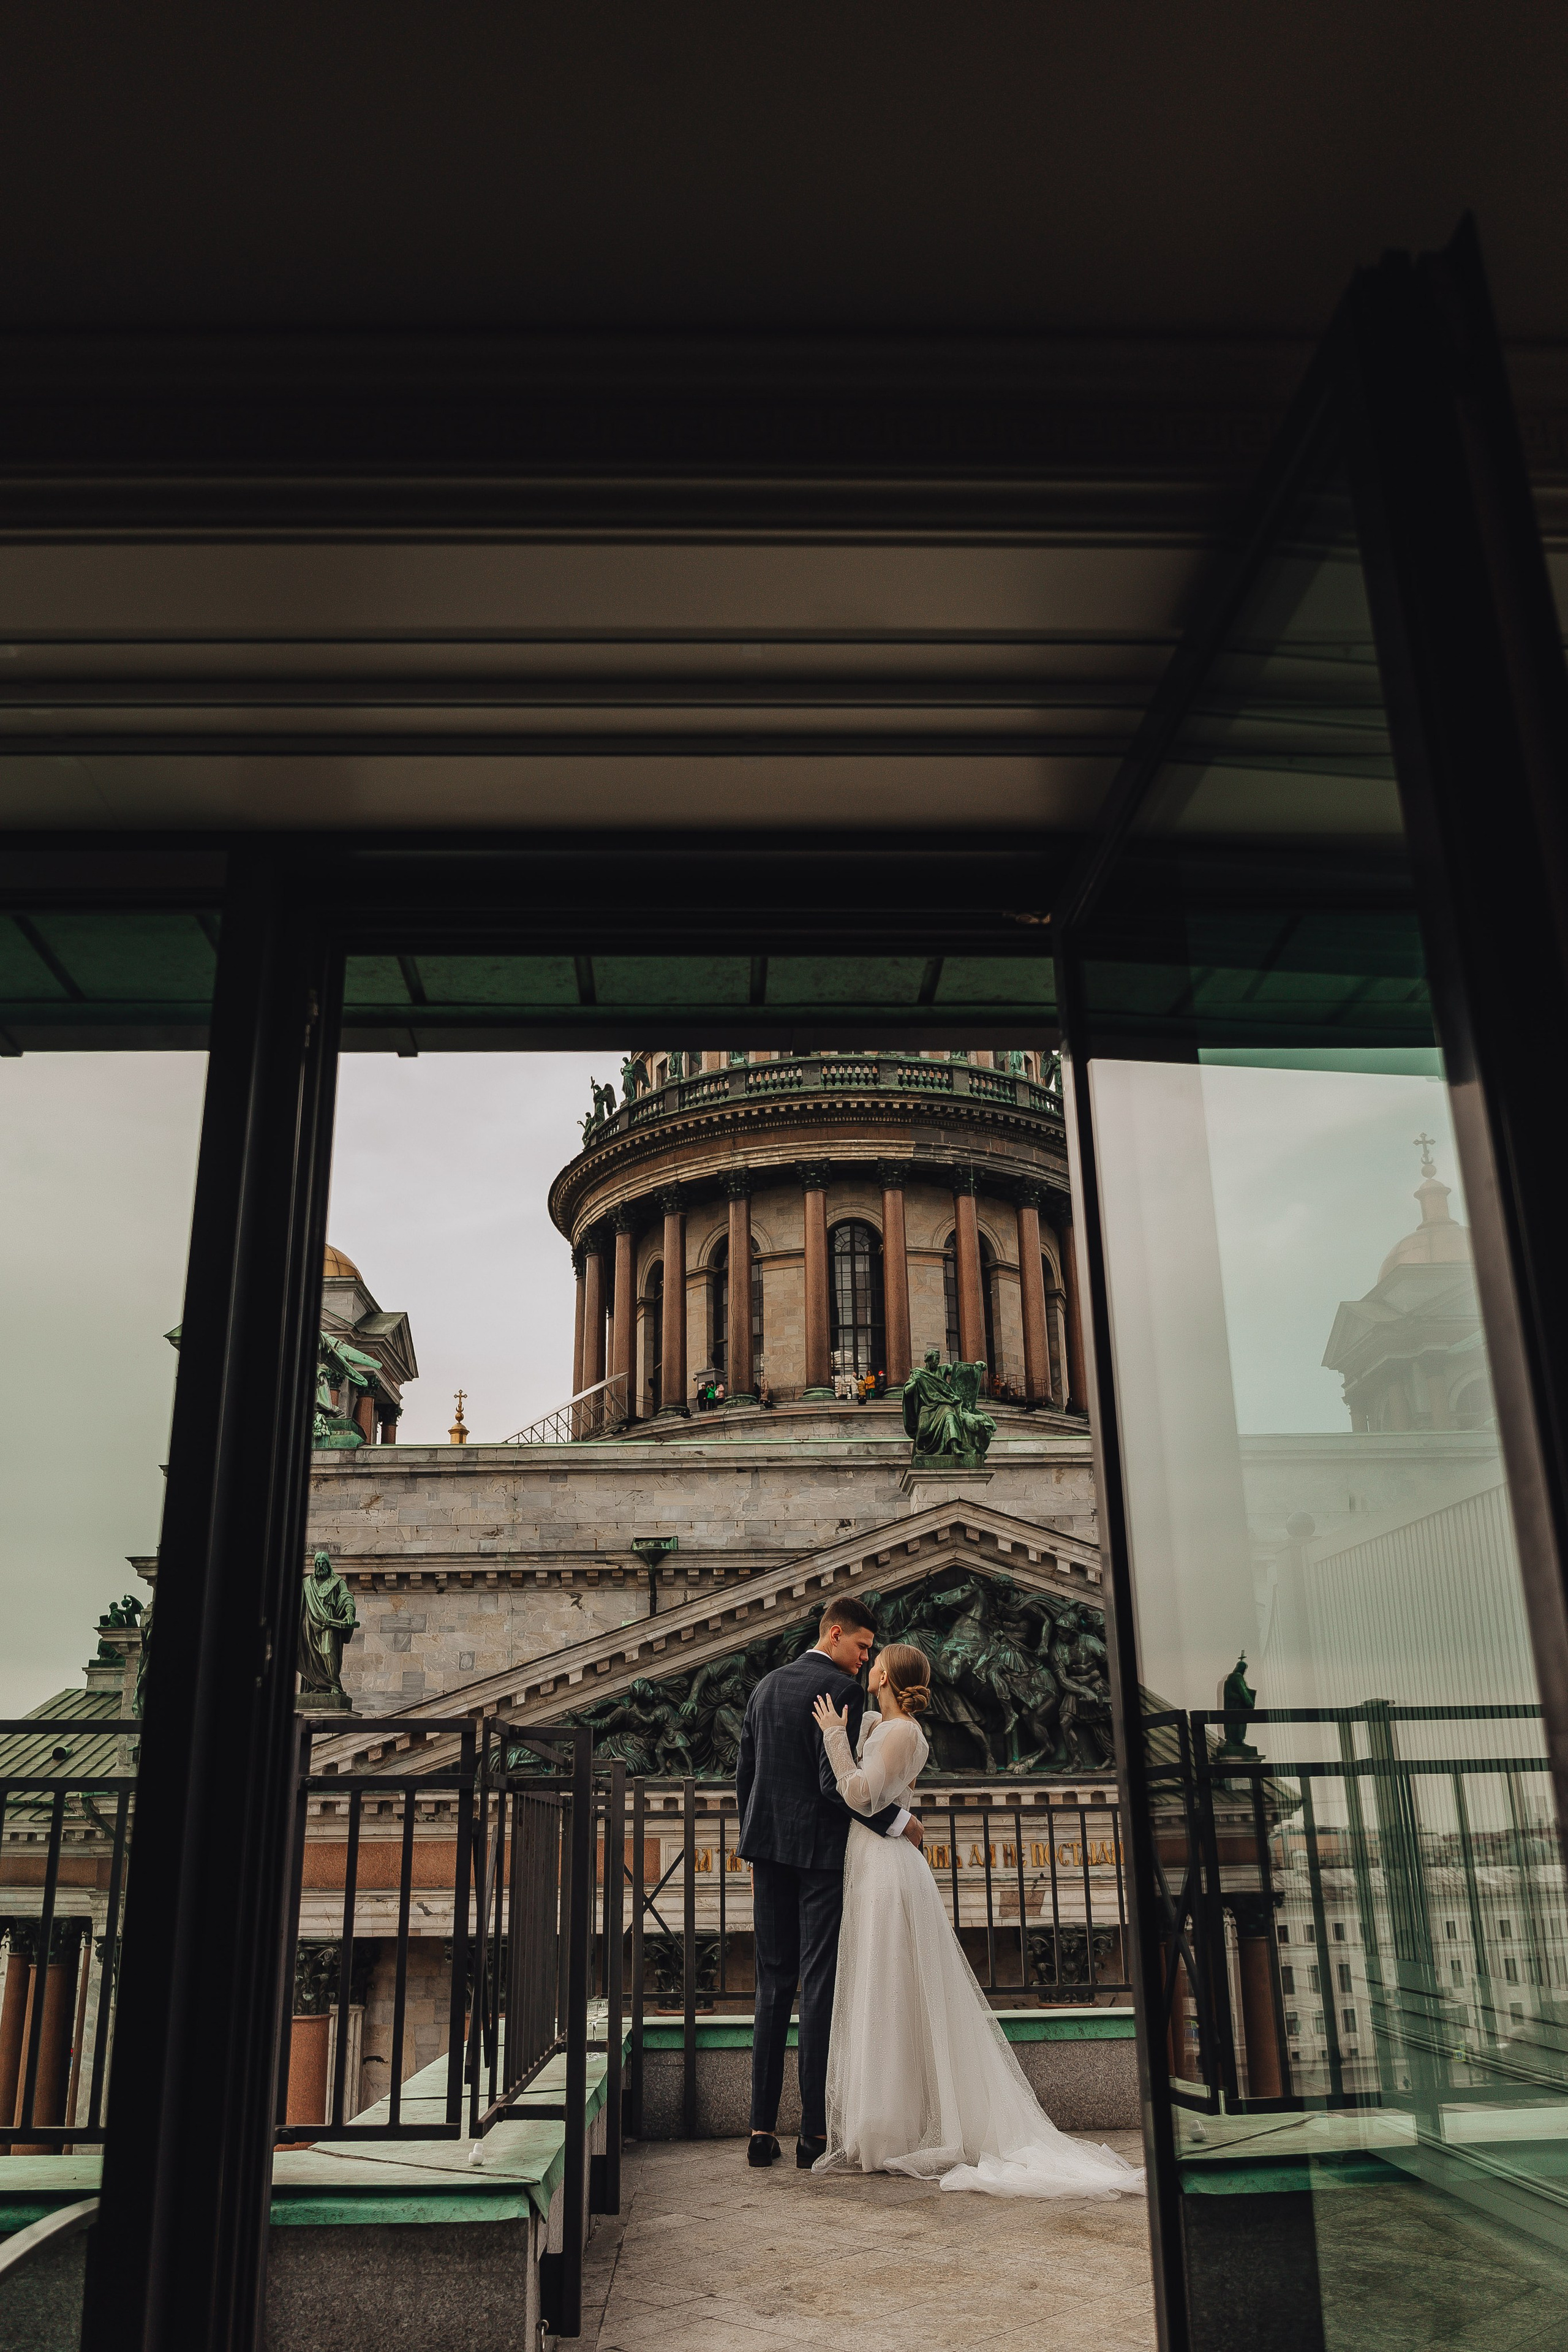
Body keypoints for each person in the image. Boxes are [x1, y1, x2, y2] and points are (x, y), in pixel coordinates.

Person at [808, 1644, 1145, 2201]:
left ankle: (889, 2130)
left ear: (887, 1674)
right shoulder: (884, 1724)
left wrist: (831, 1737)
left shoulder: (902, 1733)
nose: (869, 1665)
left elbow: (862, 1796)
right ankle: (886, 2128)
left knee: (889, 1986)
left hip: (888, 1869)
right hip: (875, 1862)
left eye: (877, 1660)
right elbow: (872, 1752)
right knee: (882, 1986)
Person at [735, 1596, 925, 2170]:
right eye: (863, 1646)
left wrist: (756, 1839)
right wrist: (898, 1822)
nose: (864, 1659)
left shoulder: (764, 1687)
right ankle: (812, 2134)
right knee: (817, 1986)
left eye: (871, 1653)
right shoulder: (840, 1692)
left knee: (772, 1987)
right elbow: (834, 1785)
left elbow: (745, 1775)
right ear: (835, 1634)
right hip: (820, 1857)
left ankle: (760, 2130)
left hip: (767, 1852)